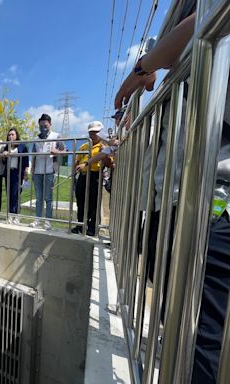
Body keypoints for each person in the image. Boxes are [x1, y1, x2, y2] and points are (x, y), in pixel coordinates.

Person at [115, 4, 230, 382]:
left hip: (210, 201)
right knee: (163, 284)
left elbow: (205, 20)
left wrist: (143, 67)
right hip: (174, 197)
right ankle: (174, 348)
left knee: (202, 335)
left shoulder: (213, 34)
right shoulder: (188, 77)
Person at [29, 113, 65, 230]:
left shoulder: (56, 136)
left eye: (45, 125)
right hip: (38, 172)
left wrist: (57, 152)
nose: (43, 127)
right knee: (38, 197)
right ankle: (38, 219)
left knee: (48, 198)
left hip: (50, 171)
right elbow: (33, 156)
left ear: (50, 124)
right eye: (41, 125)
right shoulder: (36, 139)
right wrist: (32, 171)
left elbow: (64, 151)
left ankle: (48, 221)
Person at [72, 121, 105, 236]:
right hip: (83, 175)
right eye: (91, 132)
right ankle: (81, 225)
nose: (93, 135)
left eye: (96, 132)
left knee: (93, 203)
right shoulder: (84, 146)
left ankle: (92, 228)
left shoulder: (103, 146)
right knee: (81, 201)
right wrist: (75, 167)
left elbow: (107, 161)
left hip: (95, 176)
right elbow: (77, 160)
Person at [2, 128, 30, 224]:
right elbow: (3, 162)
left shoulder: (22, 146)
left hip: (18, 173)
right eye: (9, 135)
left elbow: (25, 160)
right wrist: (4, 156)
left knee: (16, 194)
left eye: (12, 134)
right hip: (9, 173)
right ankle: (10, 214)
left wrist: (26, 173)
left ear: (16, 135)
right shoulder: (6, 147)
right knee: (9, 194)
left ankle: (17, 215)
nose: (10, 136)